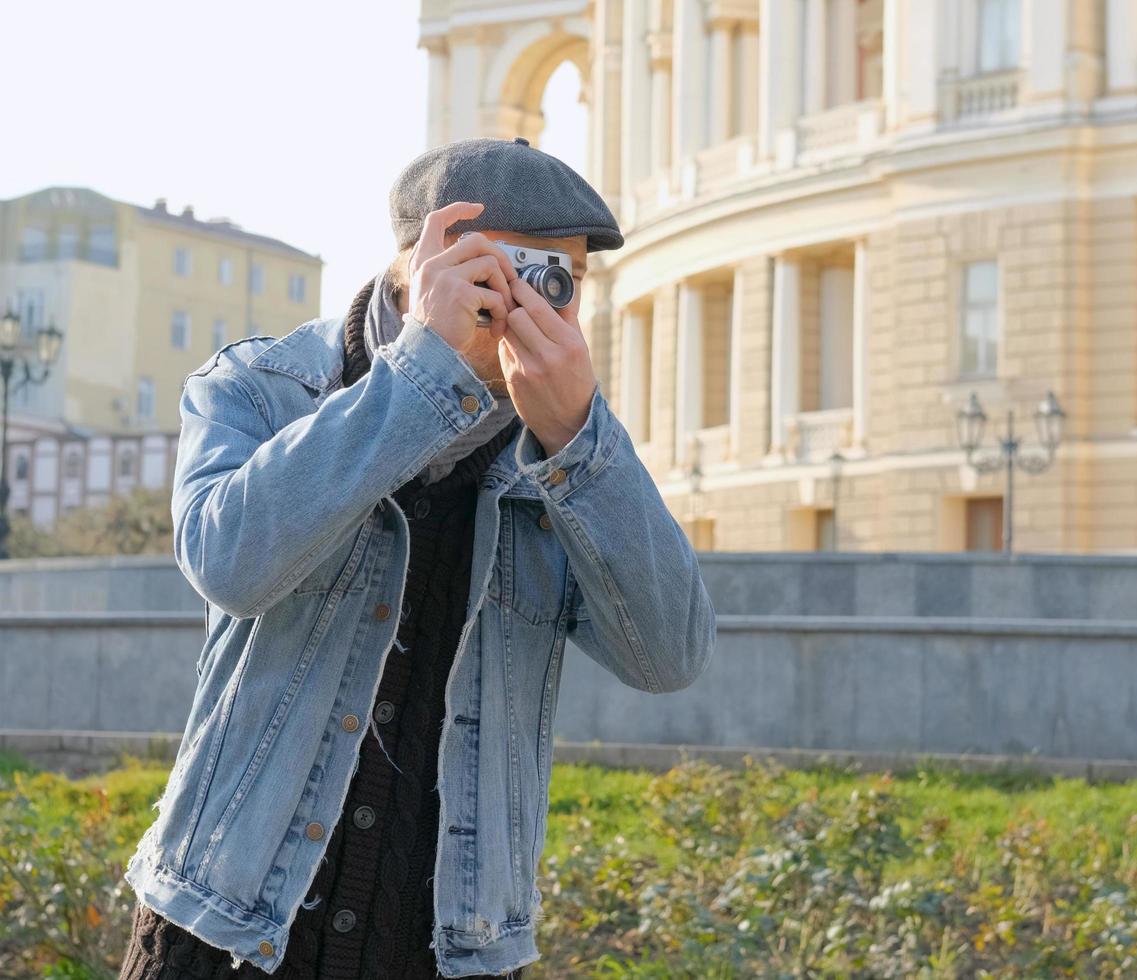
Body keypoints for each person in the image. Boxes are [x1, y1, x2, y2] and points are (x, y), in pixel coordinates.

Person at [118, 137, 716, 979]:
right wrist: (424, 374)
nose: (532, 299)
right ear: (419, 262)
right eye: (509, 265)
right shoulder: (261, 386)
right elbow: (230, 562)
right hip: (224, 930)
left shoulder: (566, 460)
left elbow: (670, 656)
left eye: (562, 278)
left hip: (449, 954)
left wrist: (580, 439)